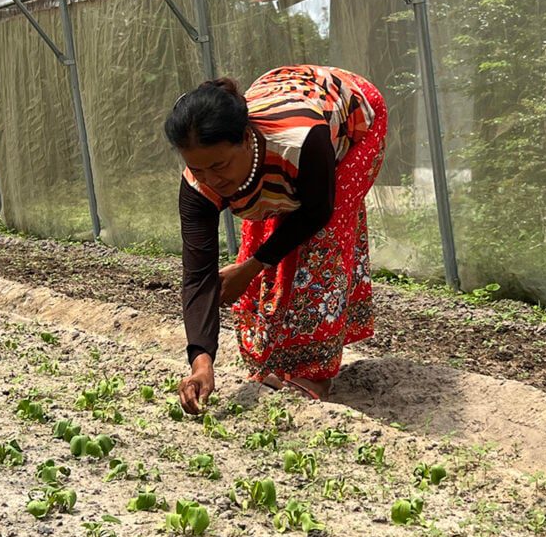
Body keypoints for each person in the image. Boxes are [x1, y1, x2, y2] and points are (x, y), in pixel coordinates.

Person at [164, 64, 387, 414]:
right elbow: (198, 275)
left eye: (219, 166)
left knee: (321, 246)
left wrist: (251, 268)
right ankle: (272, 359)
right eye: (198, 168)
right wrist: (201, 362)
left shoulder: (301, 141)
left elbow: (315, 213)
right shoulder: (198, 186)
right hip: (281, 108)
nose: (211, 179)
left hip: (352, 116)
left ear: (245, 139)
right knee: (260, 236)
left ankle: (314, 373)